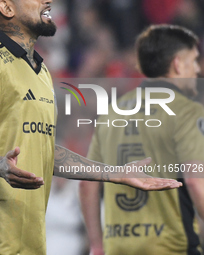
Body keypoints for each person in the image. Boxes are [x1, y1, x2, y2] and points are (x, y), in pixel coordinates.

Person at [0, 1, 182, 254]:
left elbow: (43, 149)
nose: (47, 1)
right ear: (6, 7)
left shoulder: (40, 71)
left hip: (30, 245)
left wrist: (115, 174)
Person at [79, 24, 204, 255]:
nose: (197, 70)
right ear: (177, 63)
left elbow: (87, 184)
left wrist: (97, 246)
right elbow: (196, 182)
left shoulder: (111, 113)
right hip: (171, 247)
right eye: (194, 60)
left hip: (118, 247)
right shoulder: (187, 112)